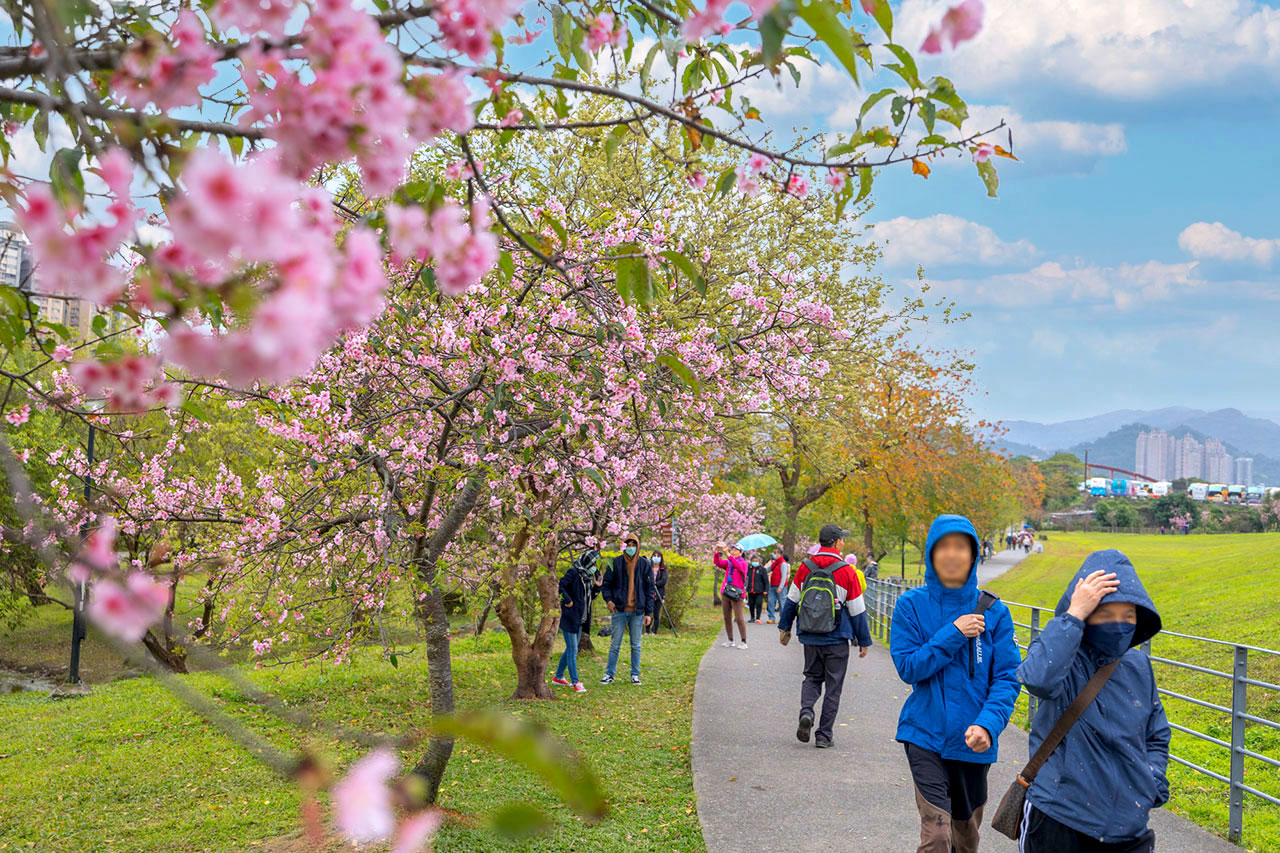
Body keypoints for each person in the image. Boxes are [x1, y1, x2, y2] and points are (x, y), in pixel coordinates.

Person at [1016, 550, 1169, 852]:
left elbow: (1156, 733)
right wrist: (1072, 616)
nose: (1118, 624)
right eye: (1105, 613)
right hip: (1059, 818)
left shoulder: (1138, 665)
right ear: (1087, 612)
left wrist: (1150, 781)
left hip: (1128, 826)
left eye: (1128, 615)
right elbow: (1037, 679)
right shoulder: (1062, 653)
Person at [890, 514, 1021, 853]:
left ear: (973, 554)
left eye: (960, 547)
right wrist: (954, 633)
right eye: (943, 547)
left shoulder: (995, 612)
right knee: (936, 837)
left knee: (965, 840)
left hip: (975, 744)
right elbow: (908, 667)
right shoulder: (910, 606)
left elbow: (1007, 678)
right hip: (924, 734)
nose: (952, 555)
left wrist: (988, 725)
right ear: (932, 555)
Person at [777, 523, 872, 749]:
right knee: (833, 685)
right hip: (837, 637)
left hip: (810, 635)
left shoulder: (805, 567)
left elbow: (792, 600)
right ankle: (823, 735)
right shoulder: (847, 571)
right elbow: (857, 609)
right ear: (837, 542)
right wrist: (864, 641)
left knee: (811, 677)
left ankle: (807, 711)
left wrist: (785, 628)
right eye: (842, 540)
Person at [600, 533, 655, 685]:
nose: (630, 548)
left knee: (636, 645)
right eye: (628, 544)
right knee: (615, 644)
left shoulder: (644, 564)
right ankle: (609, 674)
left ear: (638, 546)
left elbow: (650, 589)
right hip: (619, 609)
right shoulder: (615, 563)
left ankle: (635, 674)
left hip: (637, 611)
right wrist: (609, 600)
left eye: (633, 545)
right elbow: (606, 584)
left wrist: (648, 613)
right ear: (624, 546)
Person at [552, 549, 596, 692]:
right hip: (570, 617)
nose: (595, 566)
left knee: (571, 649)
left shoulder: (588, 577)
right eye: (593, 563)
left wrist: (598, 587)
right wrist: (568, 600)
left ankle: (558, 677)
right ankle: (576, 682)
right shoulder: (574, 573)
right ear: (587, 562)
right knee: (573, 650)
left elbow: (589, 598)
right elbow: (559, 586)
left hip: (580, 619)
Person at [712, 542, 749, 648]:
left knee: (739, 618)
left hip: (737, 594)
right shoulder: (729, 562)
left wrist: (728, 553)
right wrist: (717, 552)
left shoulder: (743, 563)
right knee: (727, 617)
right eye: (731, 550)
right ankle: (730, 639)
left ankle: (743, 641)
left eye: (735, 550)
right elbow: (718, 563)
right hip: (726, 592)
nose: (732, 552)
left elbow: (738, 566)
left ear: (741, 553)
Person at [646, 549, 668, 635]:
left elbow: (663, 580)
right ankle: (647, 630)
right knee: (648, 612)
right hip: (649, 593)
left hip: (659, 594)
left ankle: (654, 631)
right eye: (654, 556)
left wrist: (654, 583)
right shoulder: (648, 567)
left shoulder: (663, 568)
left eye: (658, 556)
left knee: (656, 614)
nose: (656, 558)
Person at [766, 549, 790, 624]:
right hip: (772, 585)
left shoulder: (783, 564)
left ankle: (782, 618)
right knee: (770, 601)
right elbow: (768, 570)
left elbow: (784, 576)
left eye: (775, 553)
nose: (773, 555)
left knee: (782, 603)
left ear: (779, 554)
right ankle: (771, 617)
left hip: (780, 586)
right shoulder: (775, 563)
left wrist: (781, 587)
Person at [746, 552, 770, 624]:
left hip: (760, 590)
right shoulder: (749, 569)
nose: (755, 562)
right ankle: (752, 617)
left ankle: (758, 618)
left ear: (759, 562)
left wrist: (766, 590)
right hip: (750, 589)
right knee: (751, 604)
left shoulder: (762, 569)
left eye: (756, 561)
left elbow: (766, 581)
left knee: (759, 603)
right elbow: (746, 578)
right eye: (753, 561)